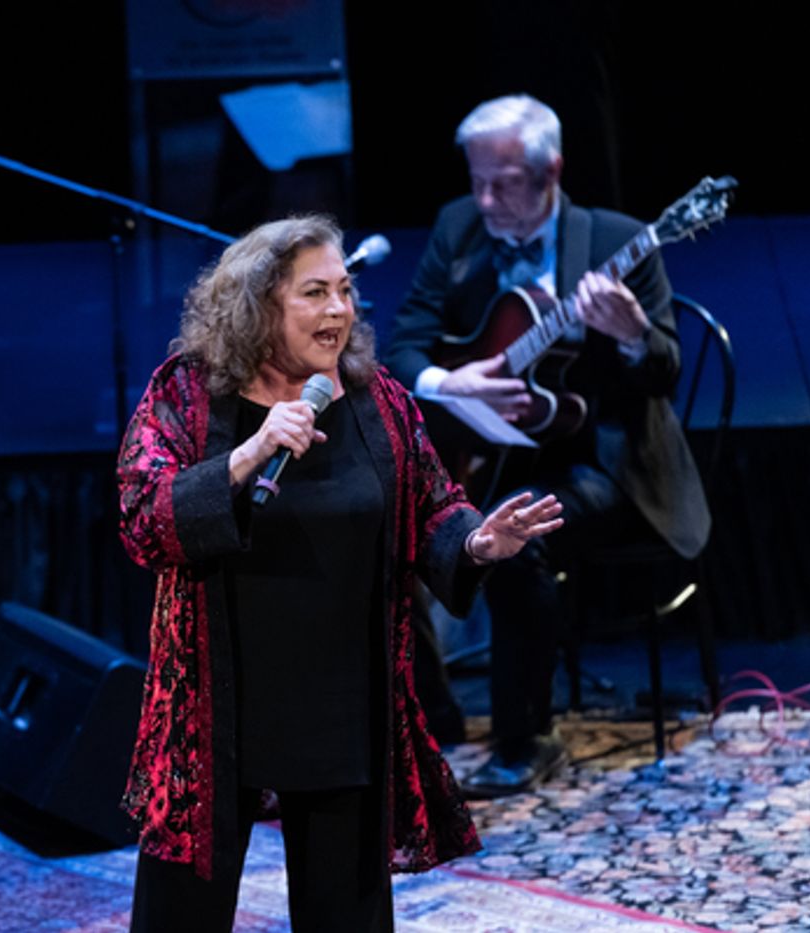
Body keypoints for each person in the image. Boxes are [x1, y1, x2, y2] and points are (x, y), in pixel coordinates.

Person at [117, 215, 562, 931]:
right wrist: (251, 451)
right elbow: (144, 517)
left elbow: (430, 506)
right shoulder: (187, 396)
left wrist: (477, 542)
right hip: (216, 705)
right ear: (259, 306)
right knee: (182, 915)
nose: (338, 311)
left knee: (345, 915)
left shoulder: (376, 399)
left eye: (346, 292)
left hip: (340, 700)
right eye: (315, 293)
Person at [383, 94, 710, 798]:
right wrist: (450, 380)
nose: (486, 197)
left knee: (516, 532)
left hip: (603, 460)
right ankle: (432, 716)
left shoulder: (621, 240)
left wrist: (630, 333)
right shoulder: (459, 226)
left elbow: (664, 371)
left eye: (504, 183)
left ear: (551, 170)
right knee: (382, 513)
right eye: (477, 180)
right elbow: (404, 341)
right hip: (490, 448)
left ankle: (522, 738)